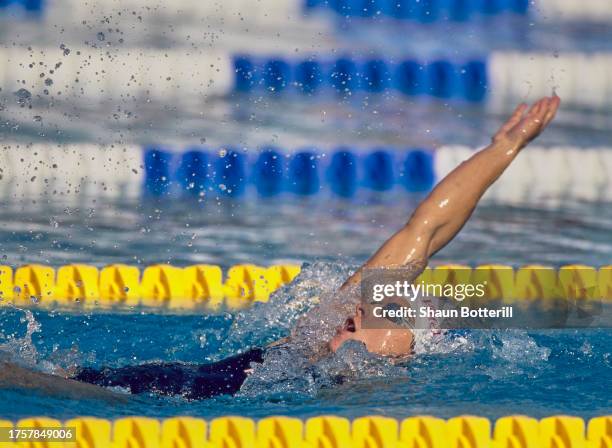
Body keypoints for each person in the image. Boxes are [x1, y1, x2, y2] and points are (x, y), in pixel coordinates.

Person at [1, 96, 561, 400]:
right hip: (145, 387)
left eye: (387, 314)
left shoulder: (364, 394)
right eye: (376, 302)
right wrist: (503, 148)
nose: (365, 309)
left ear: (406, 351)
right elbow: (425, 231)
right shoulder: (320, 332)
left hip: (143, 409)